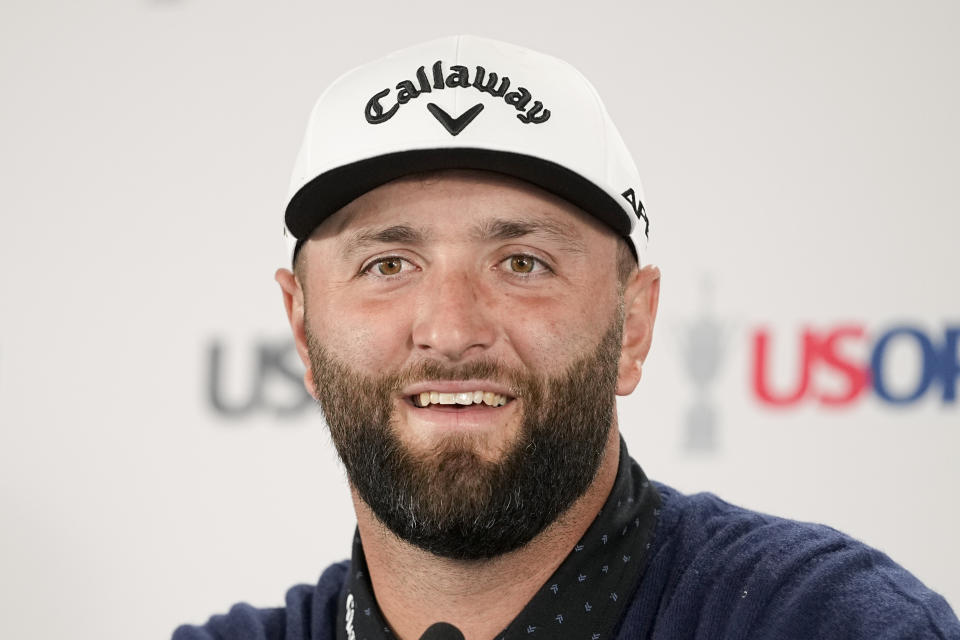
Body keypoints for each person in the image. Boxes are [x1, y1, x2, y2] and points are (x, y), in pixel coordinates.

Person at [173, 35, 960, 640]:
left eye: (523, 261)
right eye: (388, 263)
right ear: (302, 331)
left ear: (634, 325)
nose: (451, 328)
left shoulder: (823, 624)